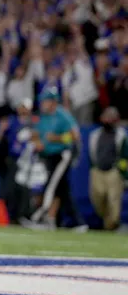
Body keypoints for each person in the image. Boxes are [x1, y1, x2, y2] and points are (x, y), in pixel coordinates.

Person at [25, 87, 88, 231]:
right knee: (62, 190)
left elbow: (75, 136)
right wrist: (37, 141)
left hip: (62, 155)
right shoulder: (43, 116)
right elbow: (35, 132)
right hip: (49, 156)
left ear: (53, 102)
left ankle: (39, 217)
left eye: (45, 101)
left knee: (51, 187)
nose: (42, 104)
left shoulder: (62, 115)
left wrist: (57, 138)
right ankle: (76, 222)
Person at [0, 99, 37, 224]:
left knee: (25, 189)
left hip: (28, 160)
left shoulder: (34, 122)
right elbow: (0, 139)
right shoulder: (12, 122)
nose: (22, 110)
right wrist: (1, 130)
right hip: (14, 159)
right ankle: (12, 216)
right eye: (21, 107)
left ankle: (24, 216)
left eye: (25, 107)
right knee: (10, 189)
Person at [87, 107, 125, 230]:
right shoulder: (95, 135)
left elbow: (125, 155)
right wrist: (93, 168)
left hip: (113, 171)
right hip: (98, 170)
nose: (108, 120)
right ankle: (107, 221)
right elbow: (91, 153)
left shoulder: (121, 136)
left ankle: (111, 226)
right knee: (98, 198)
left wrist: (123, 173)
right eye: (106, 116)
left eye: (111, 117)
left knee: (114, 200)